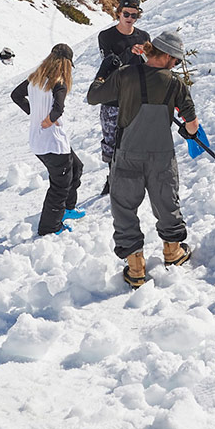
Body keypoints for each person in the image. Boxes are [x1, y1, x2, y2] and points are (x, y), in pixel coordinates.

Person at [84, 30, 200, 289]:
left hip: (127, 154)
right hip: (161, 156)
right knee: (166, 202)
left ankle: (136, 268)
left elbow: (94, 96)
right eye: (176, 60)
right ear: (167, 56)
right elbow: (192, 125)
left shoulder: (125, 74)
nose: (175, 65)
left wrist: (103, 72)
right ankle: (173, 252)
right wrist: (187, 131)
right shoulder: (175, 84)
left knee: (124, 208)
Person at [11, 43, 85, 236]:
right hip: (52, 143)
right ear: (65, 64)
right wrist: (48, 120)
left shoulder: (34, 79)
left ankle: (68, 208)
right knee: (59, 187)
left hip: (41, 142)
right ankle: (50, 228)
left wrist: (34, 112)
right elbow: (58, 108)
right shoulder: (59, 82)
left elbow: (16, 95)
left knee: (77, 166)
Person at [94, 0, 151, 193]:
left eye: (134, 15)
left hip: (136, 97)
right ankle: (112, 179)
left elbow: (149, 65)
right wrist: (129, 52)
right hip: (113, 97)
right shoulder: (106, 36)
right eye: (126, 14)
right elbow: (108, 65)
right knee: (112, 141)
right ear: (119, 13)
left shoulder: (143, 36)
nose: (130, 18)